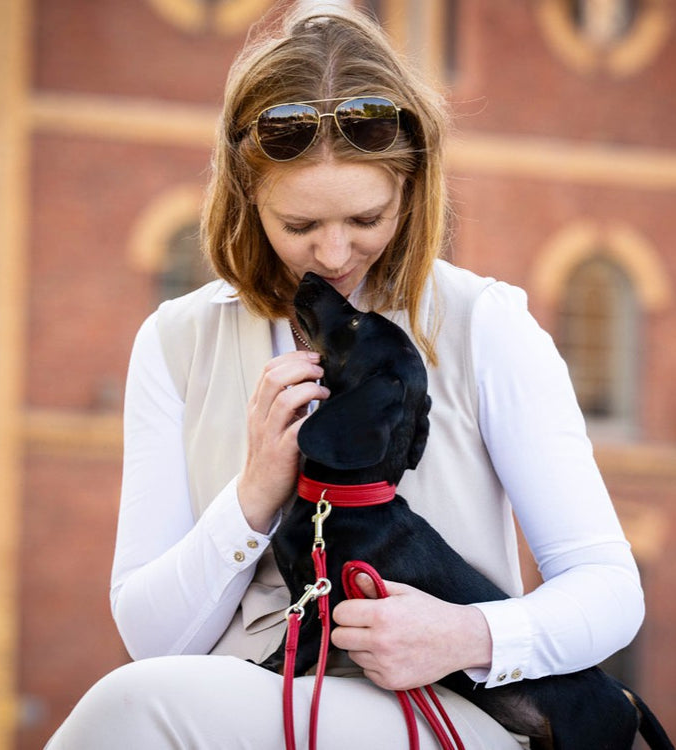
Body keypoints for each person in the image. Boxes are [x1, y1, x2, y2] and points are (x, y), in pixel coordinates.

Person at [45, 5, 644, 749]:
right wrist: (254, 494)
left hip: (445, 710)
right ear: (246, 195)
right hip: (234, 706)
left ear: (412, 189)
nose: (333, 255)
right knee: (140, 700)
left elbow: (610, 591)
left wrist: (464, 634)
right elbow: (154, 642)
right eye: (299, 226)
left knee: (133, 711)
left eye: (366, 219)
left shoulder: (486, 324)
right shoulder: (176, 341)